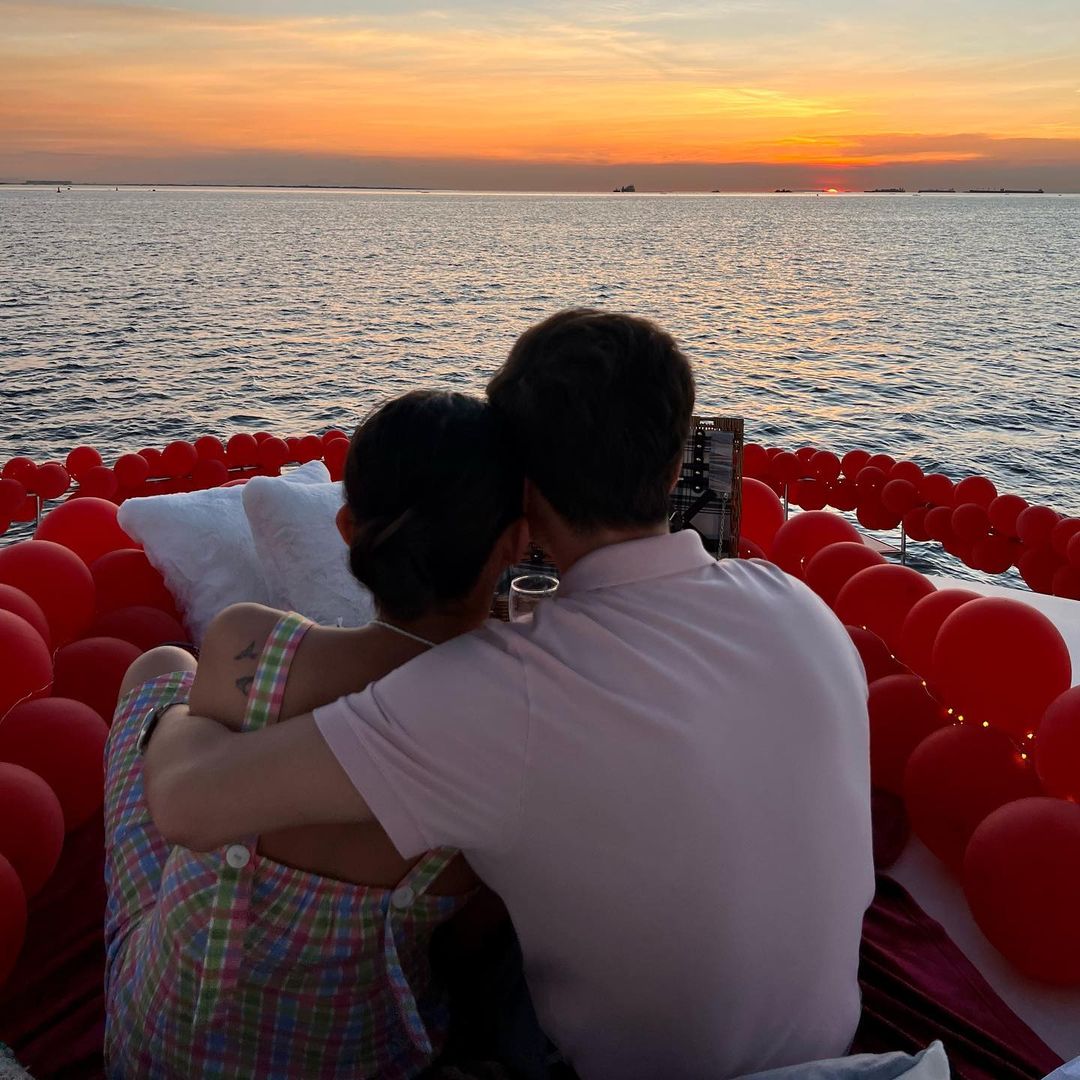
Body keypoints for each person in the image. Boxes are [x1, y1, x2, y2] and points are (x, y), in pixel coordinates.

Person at [144, 309, 875, 1080]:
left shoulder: (503, 686)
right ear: (673, 467)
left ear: (522, 495)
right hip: (831, 1053)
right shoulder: (800, 607)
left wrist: (172, 709)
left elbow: (187, 805)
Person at [105, 390, 526, 1078]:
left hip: (163, 1049)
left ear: (346, 529)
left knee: (162, 668)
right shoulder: (517, 733)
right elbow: (469, 942)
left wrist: (178, 727)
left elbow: (180, 801)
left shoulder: (250, 643)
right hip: (359, 1059)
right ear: (513, 540)